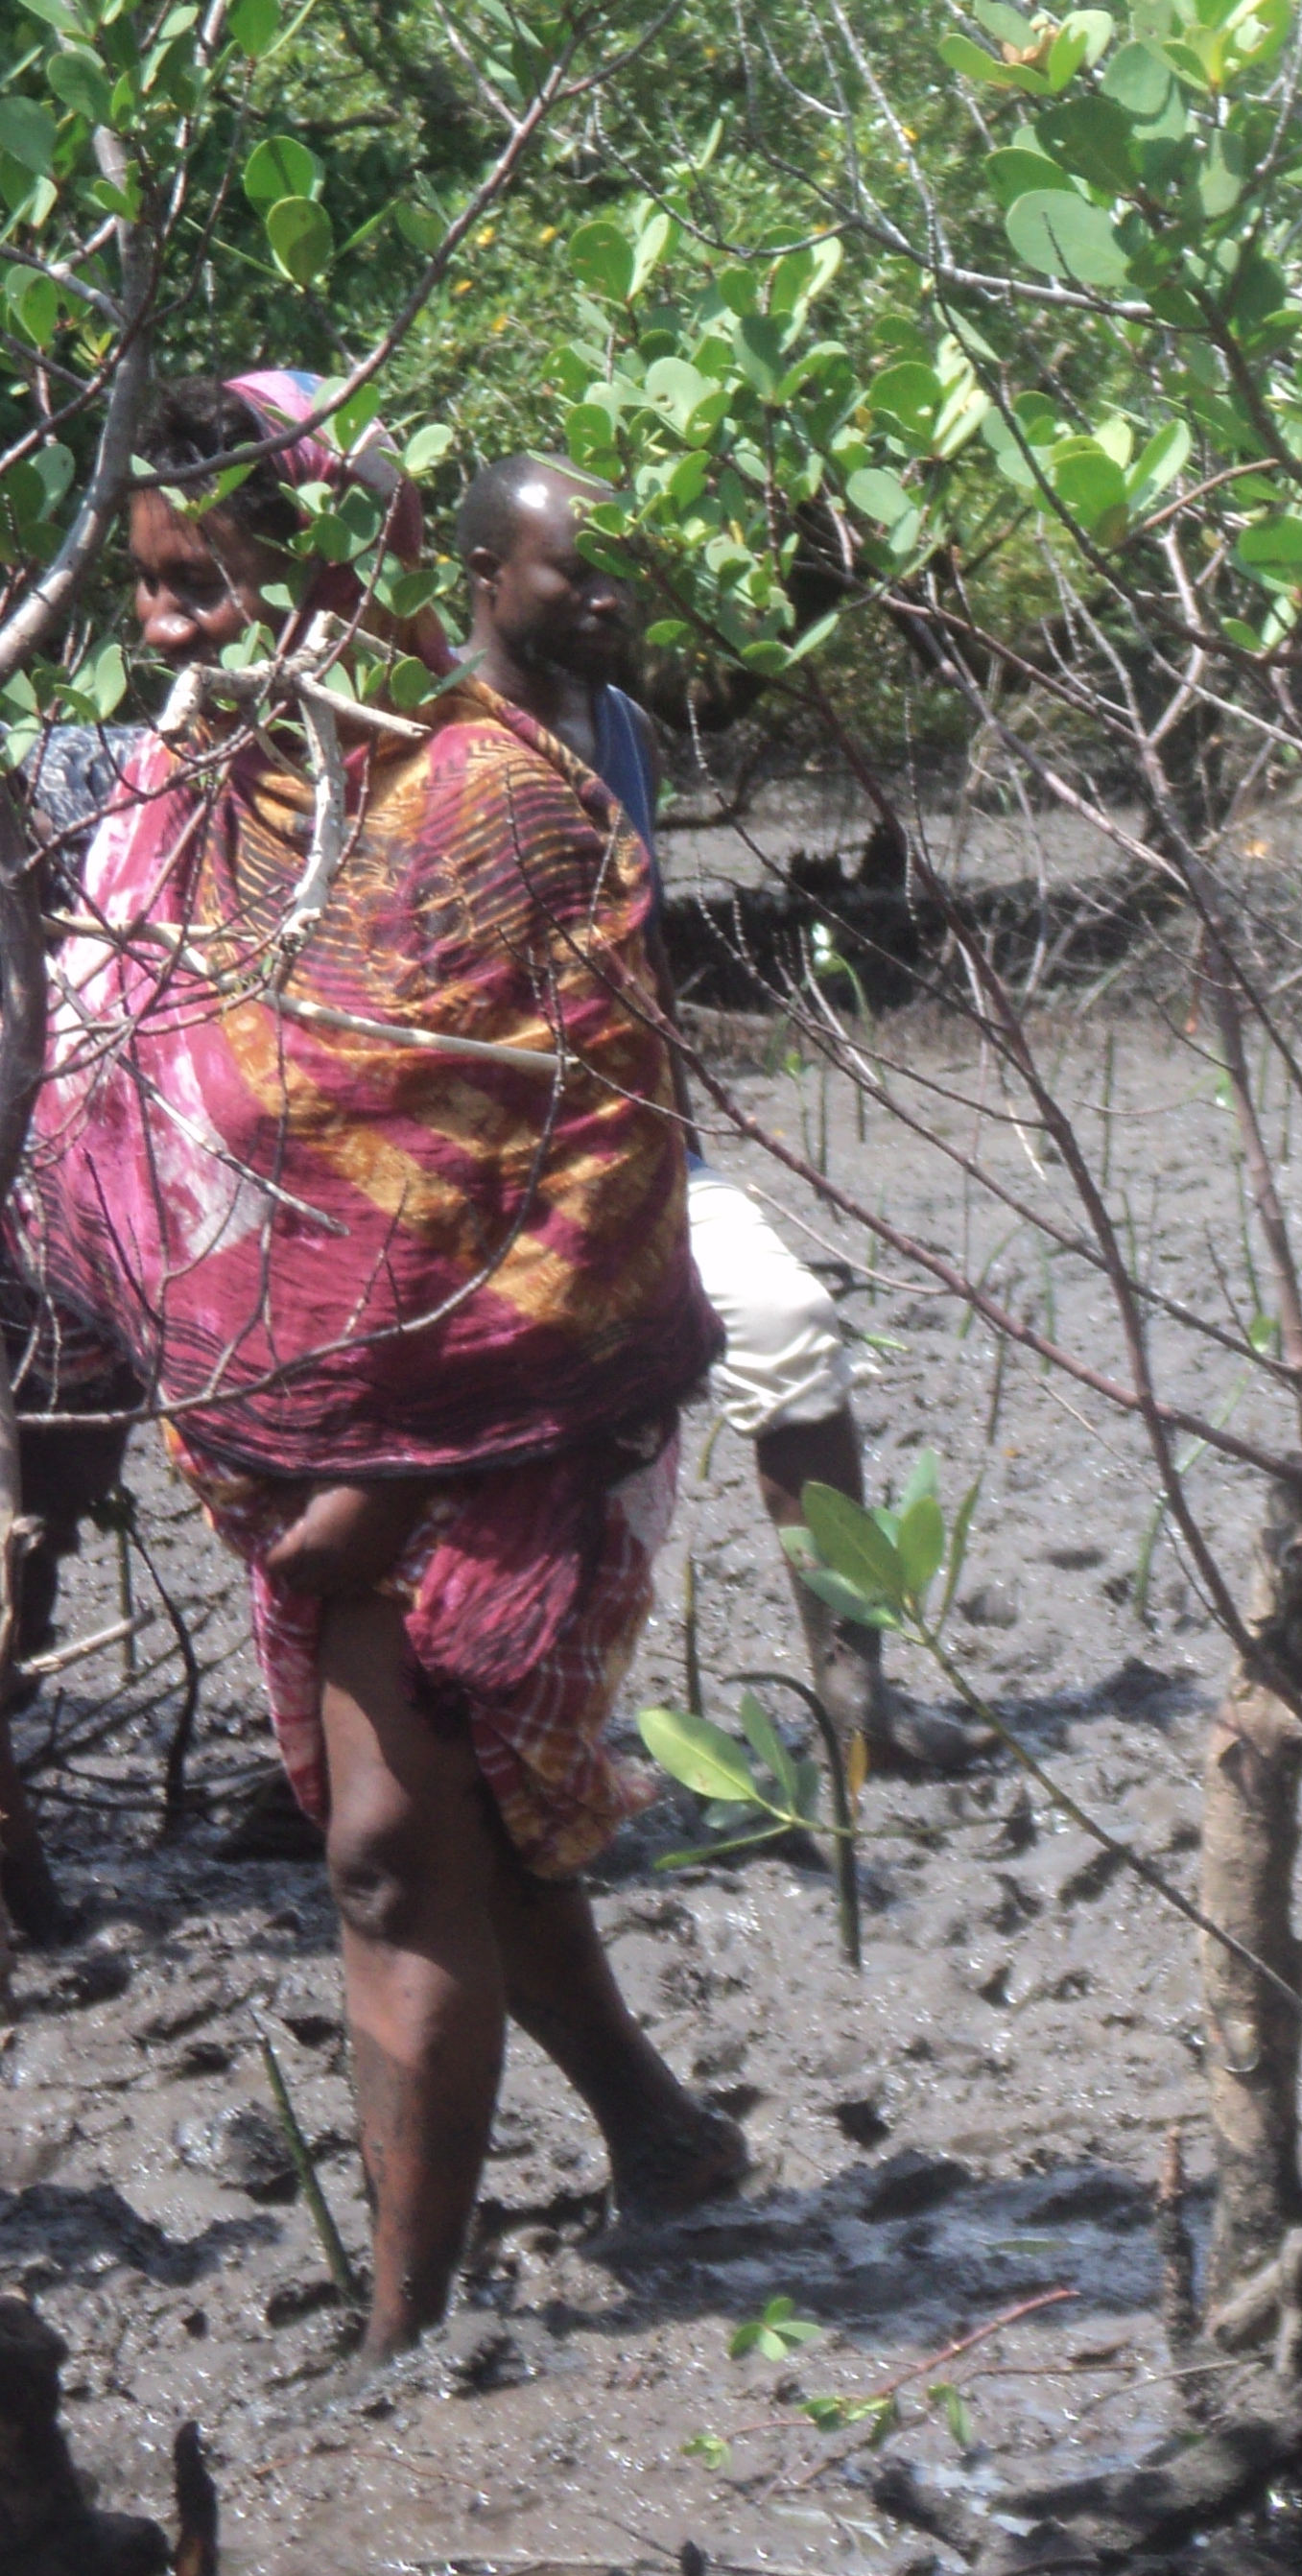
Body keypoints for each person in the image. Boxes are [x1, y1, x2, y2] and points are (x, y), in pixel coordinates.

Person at [34, 377, 743, 2371]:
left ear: (333, 557)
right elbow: (111, 1088)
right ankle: (666, 2139)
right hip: (282, 1421)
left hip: (505, 1414)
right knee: (454, 1829)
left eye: (209, 581)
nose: (169, 628)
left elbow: (606, 1159)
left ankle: (401, 2332)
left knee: (383, 1844)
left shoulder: (495, 803)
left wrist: (414, 1461)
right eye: (149, 590)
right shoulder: (186, 812)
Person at [455, 456, 988, 1778]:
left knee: (797, 1334)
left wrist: (676, 1139)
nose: (609, 595)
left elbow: (638, 961)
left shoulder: (620, 728)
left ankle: (856, 1694)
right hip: (470, 1176)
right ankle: (392, 1748)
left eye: (621, 566)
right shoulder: (426, 731)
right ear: (484, 576)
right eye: (574, 569)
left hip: (636, 1152)